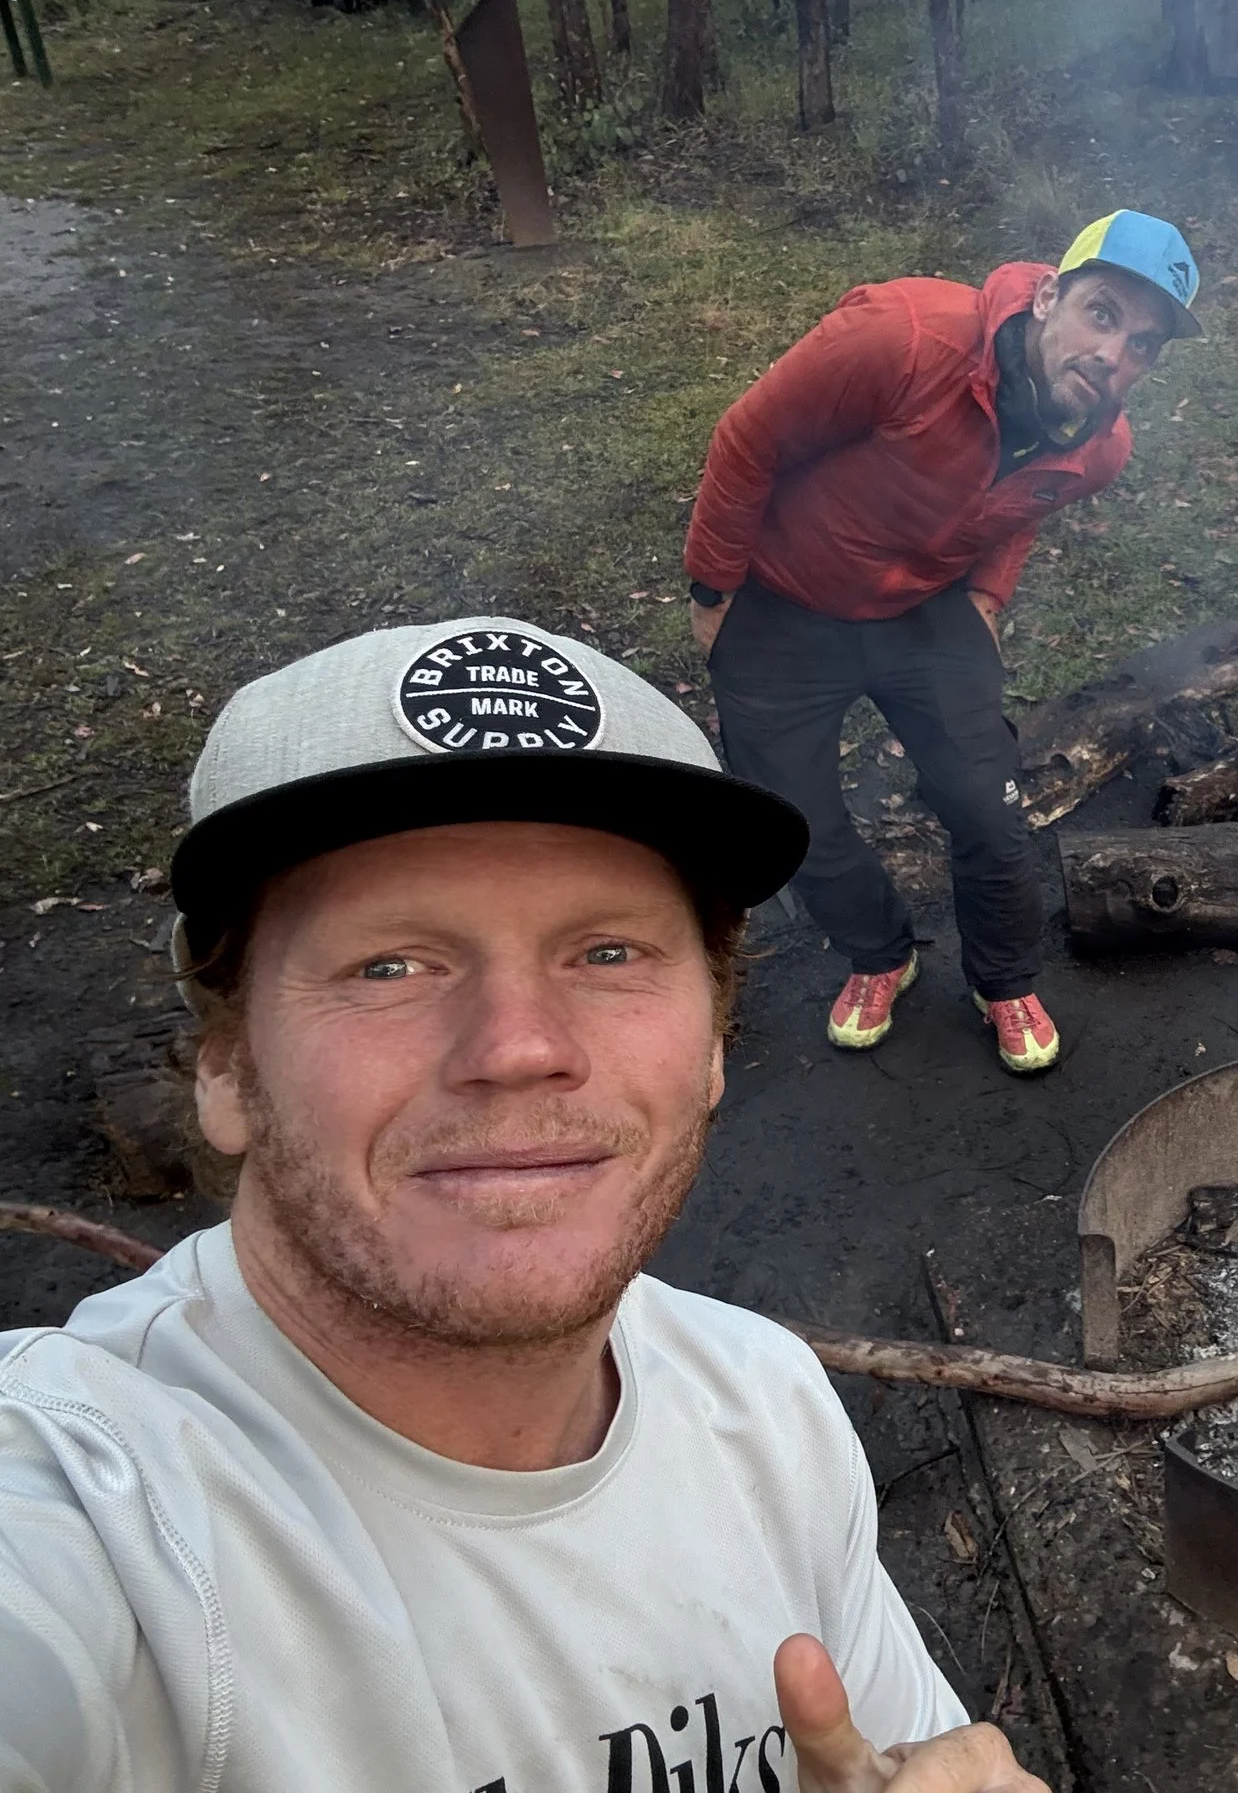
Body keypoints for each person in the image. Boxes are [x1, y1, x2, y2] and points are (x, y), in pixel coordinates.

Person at [0, 617, 1045, 1793]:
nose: (519, 1047)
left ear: (711, 1044)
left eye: (608, 954)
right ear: (226, 1065)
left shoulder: (767, 1407)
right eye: (389, 965)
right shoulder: (87, 1519)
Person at [684, 210, 1206, 1076]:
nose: (1116, 356)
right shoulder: (903, 336)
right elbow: (749, 439)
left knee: (989, 810)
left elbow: (1019, 506)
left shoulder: (1101, 447)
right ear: (1048, 295)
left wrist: (989, 595)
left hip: (925, 608)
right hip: (784, 600)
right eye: (1103, 314)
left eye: (1144, 344)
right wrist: (713, 587)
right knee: (795, 816)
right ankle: (879, 952)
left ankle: (1002, 977)